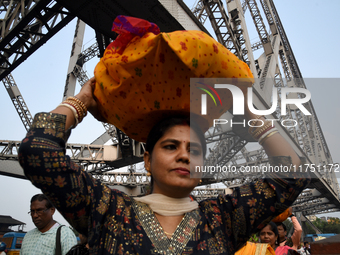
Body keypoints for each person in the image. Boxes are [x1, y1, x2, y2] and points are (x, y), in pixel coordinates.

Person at [18, 16, 310, 255]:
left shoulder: (223, 217)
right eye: (171, 146)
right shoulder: (108, 211)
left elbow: (295, 173)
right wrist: (81, 100)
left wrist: (248, 112)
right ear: (147, 159)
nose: (184, 154)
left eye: (195, 150)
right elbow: (37, 152)